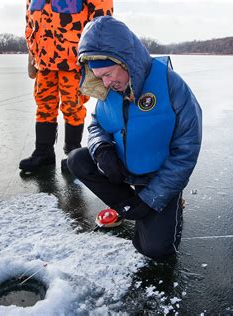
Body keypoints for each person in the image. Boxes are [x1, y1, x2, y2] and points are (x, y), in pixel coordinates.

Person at [67, 16, 203, 261]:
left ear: (126, 62)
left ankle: (156, 206)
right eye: (99, 76)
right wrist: (102, 149)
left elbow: (186, 150)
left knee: (154, 250)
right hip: (123, 168)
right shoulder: (107, 87)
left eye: (108, 74)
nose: (105, 82)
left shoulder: (171, 85)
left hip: (157, 176)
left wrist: (151, 199)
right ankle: (129, 205)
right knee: (77, 159)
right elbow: (98, 124)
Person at [21, 0, 113, 172]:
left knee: (73, 105)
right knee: (43, 104)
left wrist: (96, 53)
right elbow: (29, 22)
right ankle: (43, 152)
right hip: (43, 60)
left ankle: (73, 153)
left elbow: (102, 14)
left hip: (73, 60)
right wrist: (31, 54)